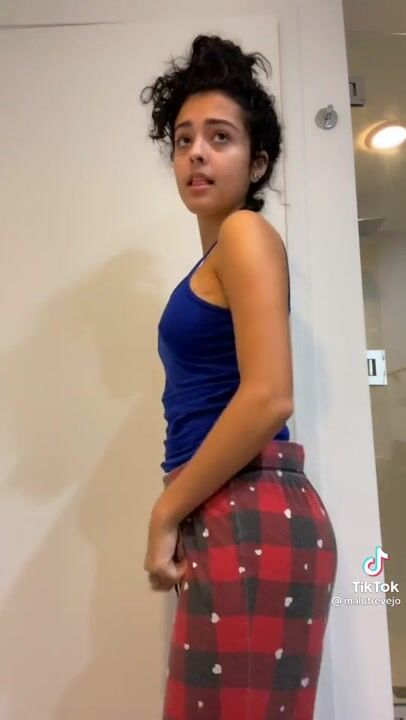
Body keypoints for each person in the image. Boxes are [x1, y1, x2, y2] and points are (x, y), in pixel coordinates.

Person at [140, 33, 337, 720]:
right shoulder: (218, 256)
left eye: (219, 137)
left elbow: (269, 396)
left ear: (258, 162)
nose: (196, 152)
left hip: (248, 507)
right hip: (231, 508)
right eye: (184, 138)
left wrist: (166, 511)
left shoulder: (246, 235)